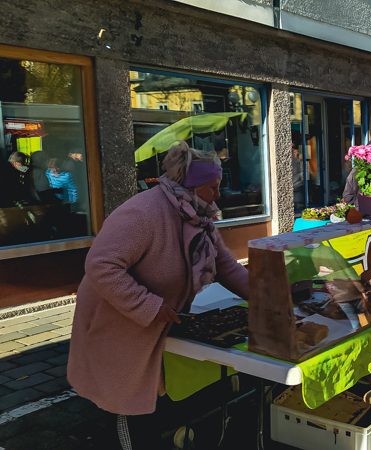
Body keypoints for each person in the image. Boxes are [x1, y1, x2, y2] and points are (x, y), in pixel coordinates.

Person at [67, 141, 249, 449]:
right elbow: (101, 265)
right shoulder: (143, 212)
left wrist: (265, 296)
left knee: (155, 389)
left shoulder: (198, 215)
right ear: (192, 186)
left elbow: (227, 267)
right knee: (126, 396)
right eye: (213, 187)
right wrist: (148, 305)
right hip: (115, 318)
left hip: (156, 317)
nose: (218, 194)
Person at [291, 143, 305, 210]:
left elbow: (302, 172)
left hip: (298, 185)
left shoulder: (298, 160)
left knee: (299, 205)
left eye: (294, 147)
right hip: (293, 185)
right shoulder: (291, 160)